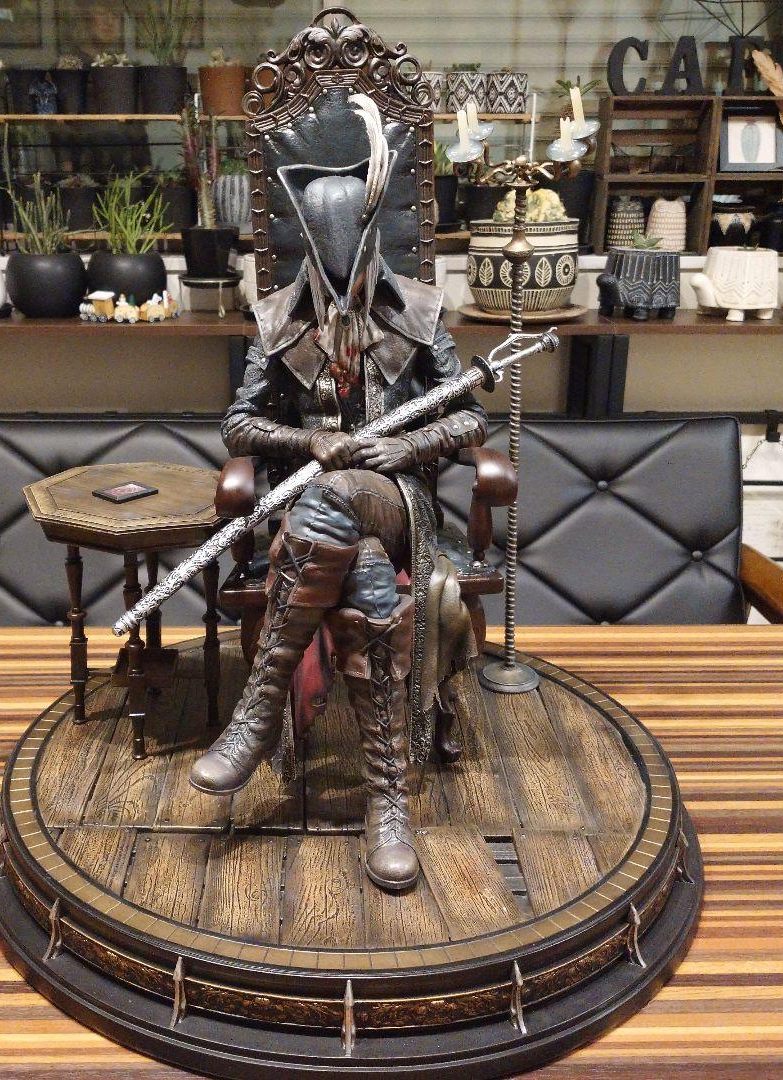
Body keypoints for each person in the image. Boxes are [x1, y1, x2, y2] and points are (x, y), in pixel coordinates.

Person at [189, 98, 487, 891]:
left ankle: (257, 711)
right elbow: (238, 426)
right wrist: (308, 442)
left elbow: (472, 416)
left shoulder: (418, 310)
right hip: (318, 515)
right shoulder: (277, 320)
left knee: (347, 500)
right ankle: (387, 801)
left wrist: (410, 445)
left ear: (371, 241)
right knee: (357, 565)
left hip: (399, 502)